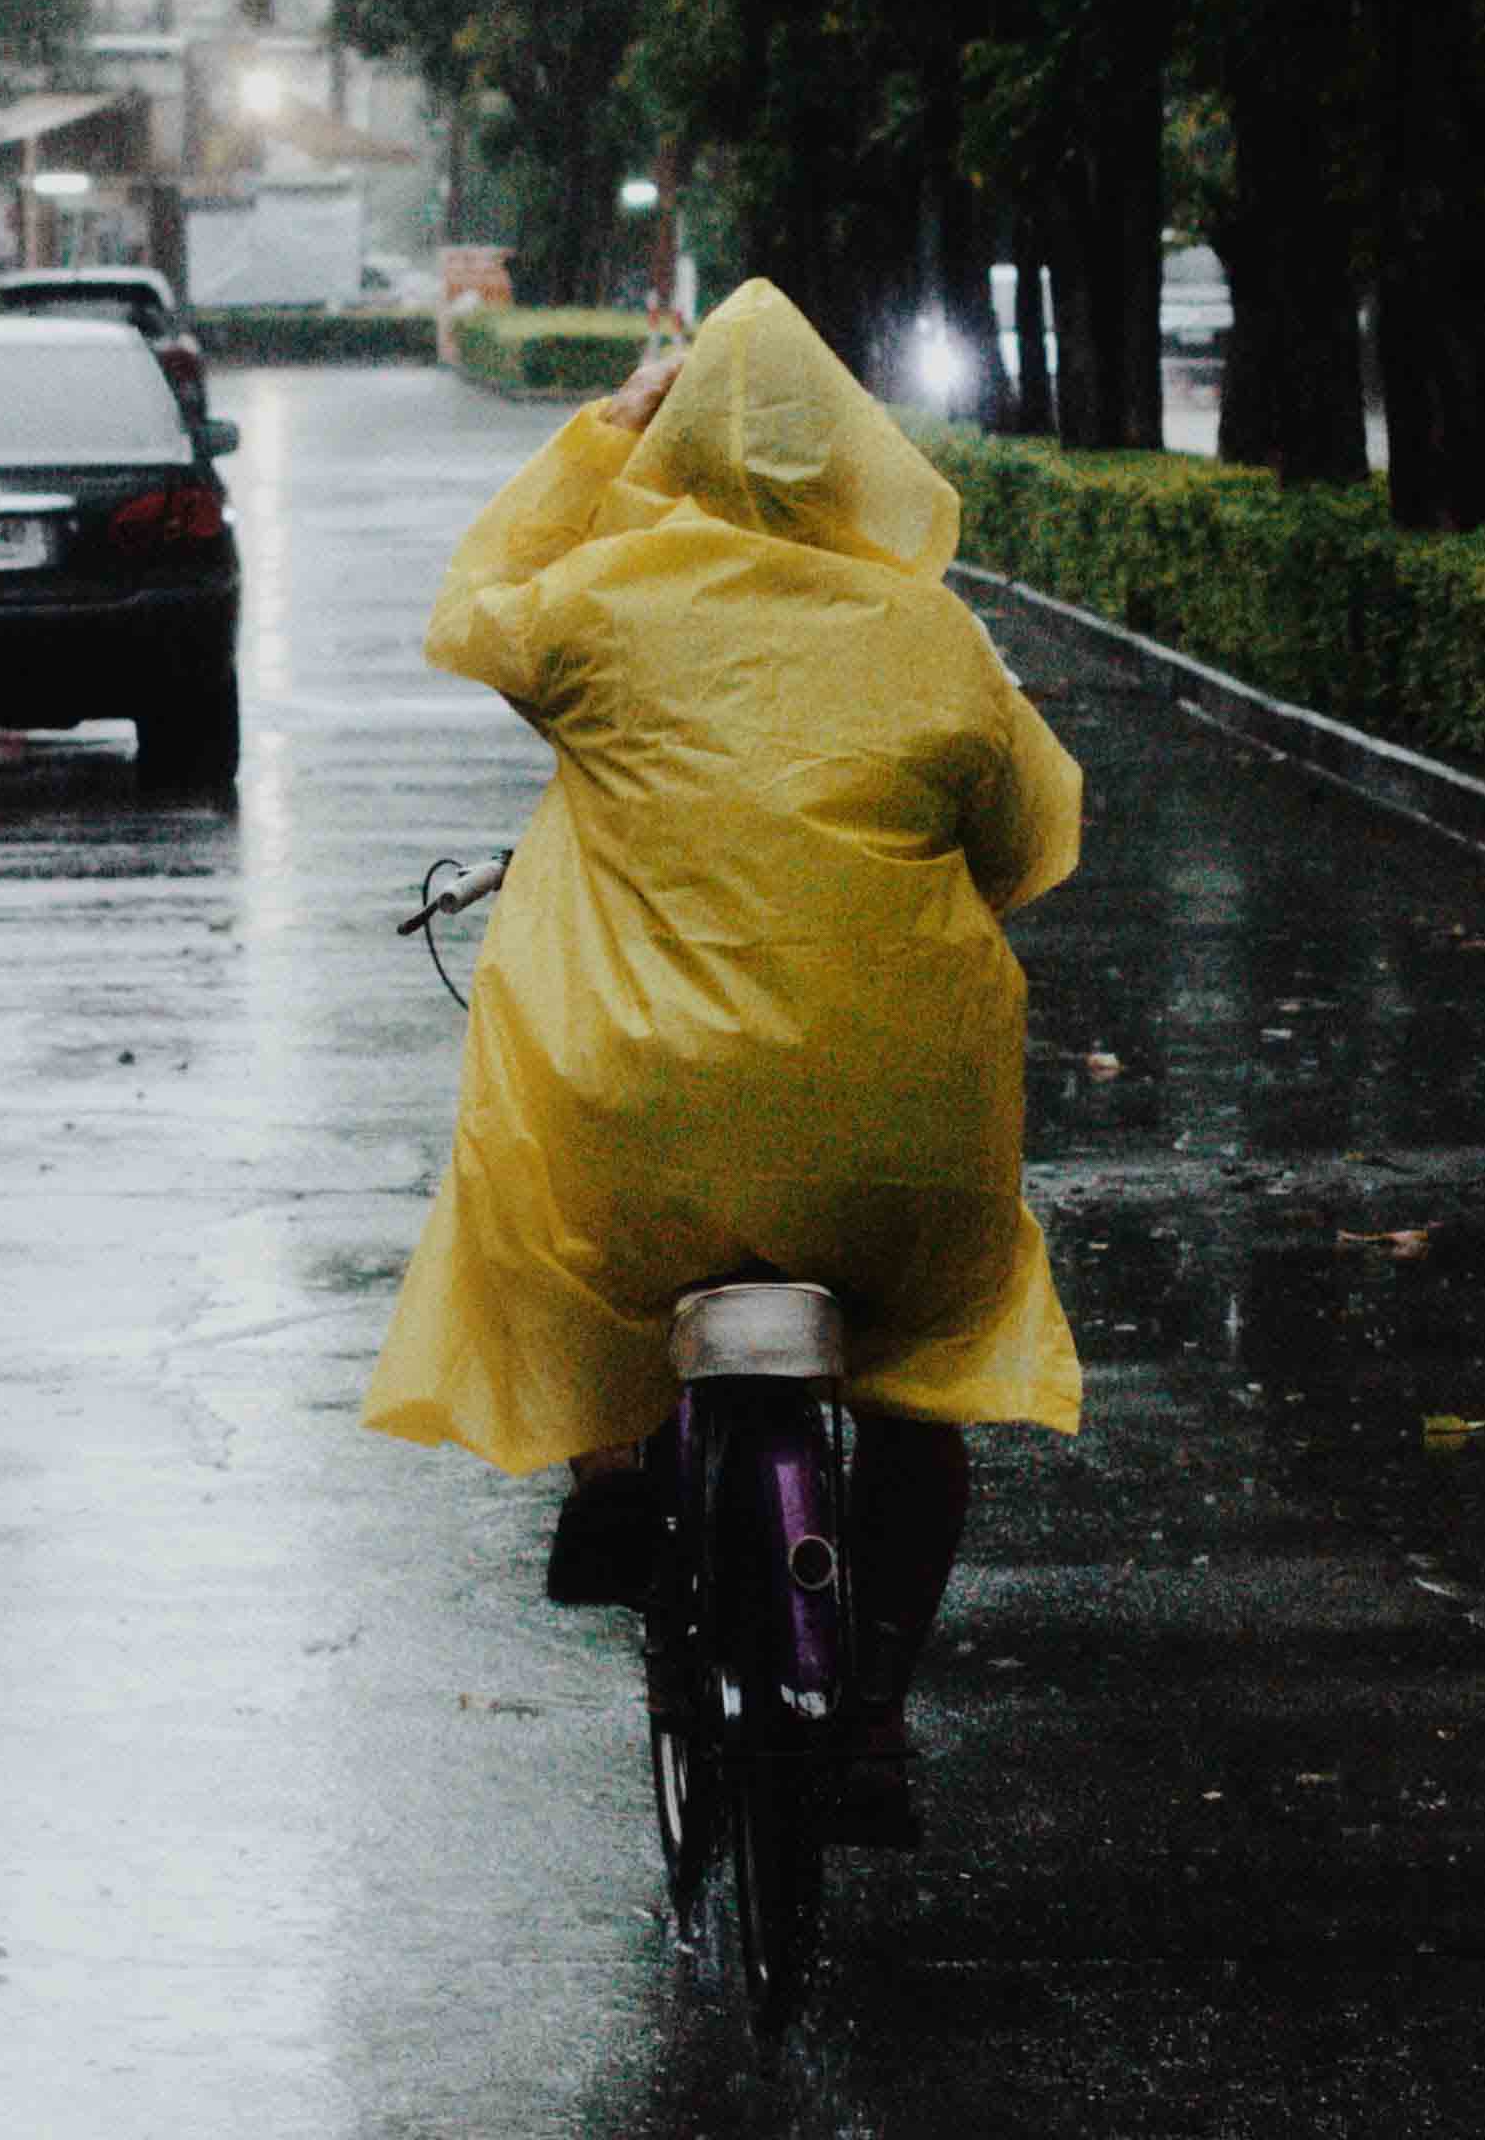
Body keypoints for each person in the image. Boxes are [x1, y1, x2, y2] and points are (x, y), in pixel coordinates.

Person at [364, 279, 1085, 1834]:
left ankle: (617, 1476)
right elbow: (1026, 847)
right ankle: (877, 1719)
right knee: (917, 1392)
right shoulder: (934, 635)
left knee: (530, 1193)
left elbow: (467, 602)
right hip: (896, 1150)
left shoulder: (594, 613)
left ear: (673, 450)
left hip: (642, 1133)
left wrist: (592, 437)